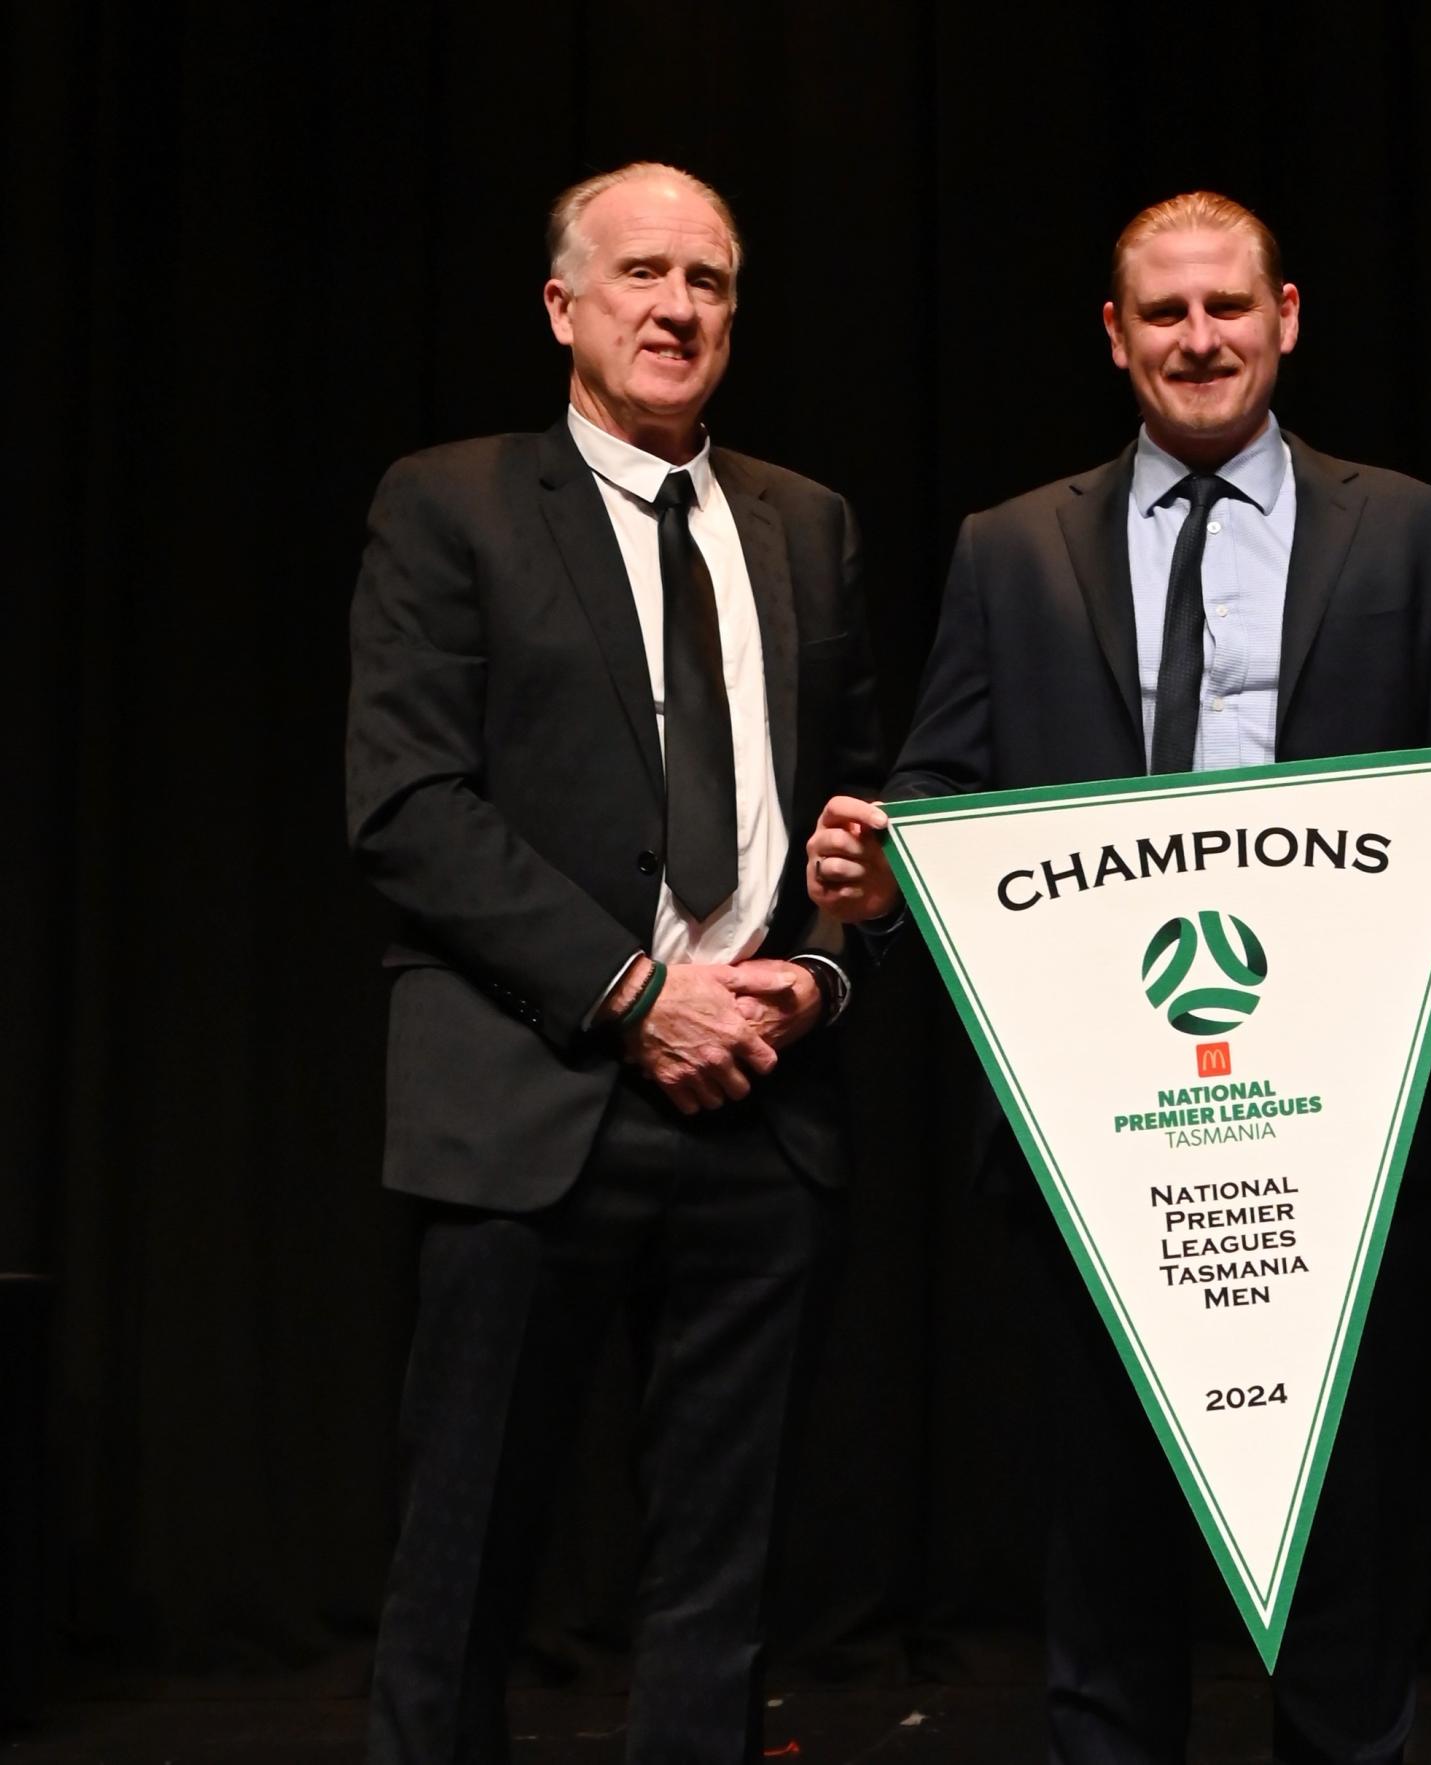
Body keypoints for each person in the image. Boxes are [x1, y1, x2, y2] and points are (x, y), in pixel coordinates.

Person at [806, 192, 1431, 1764]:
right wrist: (883, 870)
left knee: (1340, 1572)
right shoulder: (1011, 544)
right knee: (1106, 1569)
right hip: (1096, 1134)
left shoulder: (1412, 527)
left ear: (1286, 316)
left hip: (1333, 1135)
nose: (1199, 339)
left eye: (1227, 307)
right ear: (1116, 337)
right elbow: (941, 782)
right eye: (1166, 314)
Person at [345, 161, 883, 1763]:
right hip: (535, 1097)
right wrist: (638, 992)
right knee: (466, 1566)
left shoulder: (806, 521)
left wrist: (823, 962)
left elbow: (855, 807)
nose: (678, 308)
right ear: (563, 306)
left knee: (719, 1583)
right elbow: (406, 806)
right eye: (642, 275)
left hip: (764, 1102)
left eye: (709, 281)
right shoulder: (449, 501)